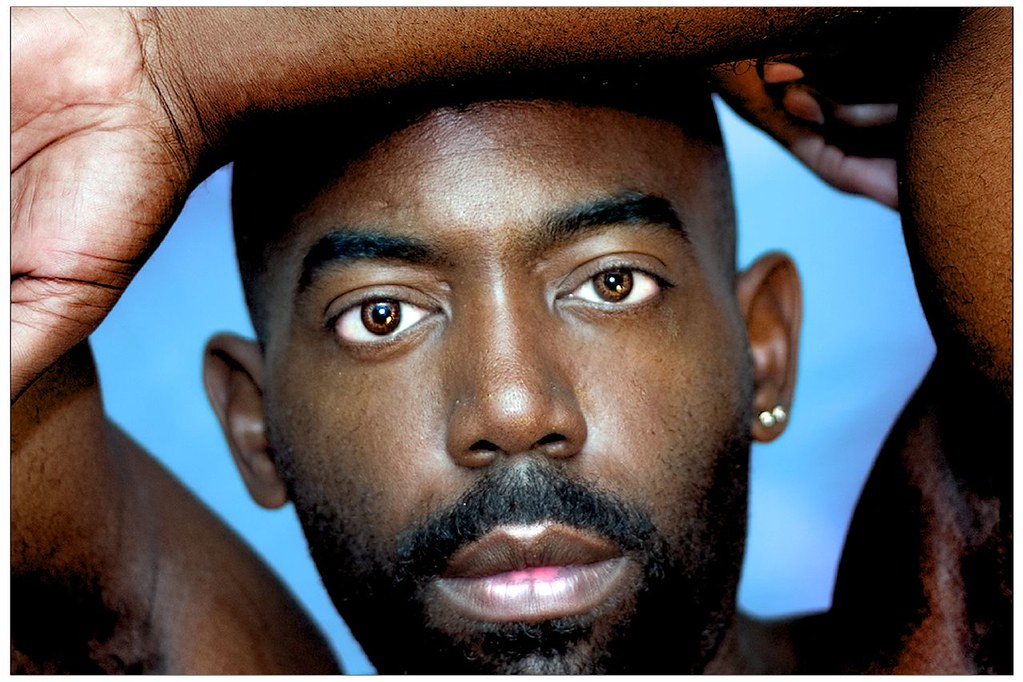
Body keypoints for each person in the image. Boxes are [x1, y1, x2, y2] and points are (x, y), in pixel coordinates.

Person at [11, 7, 1010, 674]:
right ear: (254, 424)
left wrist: (178, 62)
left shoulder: (965, 629)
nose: (512, 409)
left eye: (612, 284)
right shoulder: (165, 652)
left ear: (764, 349)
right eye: (382, 314)